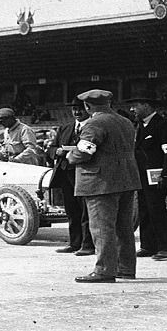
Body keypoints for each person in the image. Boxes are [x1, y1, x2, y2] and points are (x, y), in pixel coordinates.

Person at [66, 90, 141, 283]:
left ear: (87, 106)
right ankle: (126, 269)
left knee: (101, 227)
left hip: (100, 182)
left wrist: (70, 156)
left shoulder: (94, 123)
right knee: (123, 227)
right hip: (126, 180)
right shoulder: (125, 121)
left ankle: (104, 271)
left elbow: (85, 152)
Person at [126, 97, 167, 261]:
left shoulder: (163, 125)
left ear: (147, 106)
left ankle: (166, 248)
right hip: (142, 177)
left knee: (157, 210)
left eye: (135, 106)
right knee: (144, 210)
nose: (133, 109)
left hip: (158, 178)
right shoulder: (141, 126)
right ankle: (148, 245)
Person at [48, 100, 94, 255]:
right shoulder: (65, 128)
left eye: (80, 109)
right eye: (74, 109)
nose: (77, 112)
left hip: (84, 172)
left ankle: (88, 244)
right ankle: (75, 243)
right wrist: (57, 152)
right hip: (66, 173)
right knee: (71, 210)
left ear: (87, 109)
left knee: (85, 210)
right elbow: (51, 148)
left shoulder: (93, 127)